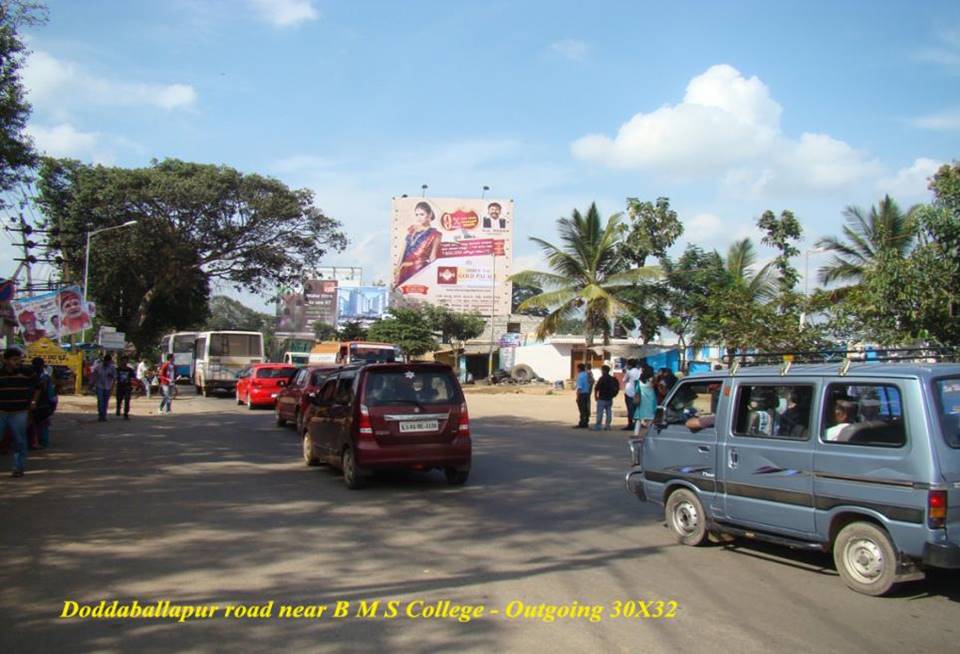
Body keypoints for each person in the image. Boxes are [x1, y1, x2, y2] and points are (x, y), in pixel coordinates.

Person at [0, 347, 40, 477]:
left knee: (19, 441)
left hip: (19, 412)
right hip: (2, 412)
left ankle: (18, 468)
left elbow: (39, 386)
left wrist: (33, 402)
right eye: (14, 360)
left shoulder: (28, 372)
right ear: (5, 360)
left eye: (19, 360)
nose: (17, 362)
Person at [395, 201, 442, 287]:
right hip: (403, 270)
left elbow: (432, 257)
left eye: (422, 214)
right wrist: (397, 269)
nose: (419, 217)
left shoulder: (435, 234)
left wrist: (432, 278)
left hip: (419, 270)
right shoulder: (412, 230)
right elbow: (403, 251)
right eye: (417, 215)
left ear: (430, 214)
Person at [28, 357, 57, 449]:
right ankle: (44, 442)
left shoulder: (30, 376)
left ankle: (34, 442)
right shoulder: (46, 377)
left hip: (32, 403)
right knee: (43, 424)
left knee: (32, 424)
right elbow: (51, 393)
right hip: (44, 403)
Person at [90, 354, 116, 422]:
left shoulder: (112, 368)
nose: (107, 363)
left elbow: (115, 378)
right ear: (104, 361)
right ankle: (100, 415)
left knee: (105, 402)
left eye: (108, 362)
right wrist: (91, 384)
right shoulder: (98, 367)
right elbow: (94, 376)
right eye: (106, 361)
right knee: (100, 401)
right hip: (99, 386)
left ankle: (104, 415)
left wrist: (112, 386)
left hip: (108, 386)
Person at [633, 365, 658, 437]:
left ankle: (636, 433)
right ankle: (649, 434)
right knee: (650, 418)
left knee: (639, 418)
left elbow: (637, 390)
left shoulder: (639, 380)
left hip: (642, 401)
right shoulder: (652, 379)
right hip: (651, 400)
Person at [593, 365, 619, 431]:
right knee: (609, 412)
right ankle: (608, 426)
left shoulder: (602, 378)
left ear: (604, 371)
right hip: (609, 398)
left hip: (602, 398)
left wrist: (595, 396)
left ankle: (598, 426)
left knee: (600, 412)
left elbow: (596, 388)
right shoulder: (612, 378)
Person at [621, 359, 640, 431]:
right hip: (637, 392)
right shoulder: (639, 372)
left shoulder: (629, 372)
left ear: (630, 365)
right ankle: (636, 424)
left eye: (627, 364)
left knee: (630, 409)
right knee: (636, 409)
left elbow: (624, 380)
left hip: (629, 392)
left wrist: (625, 370)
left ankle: (630, 424)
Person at [115, 355, 136, 420]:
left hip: (127, 386)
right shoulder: (117, 369)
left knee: (127, 400)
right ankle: (118, 408)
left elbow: (133, 377)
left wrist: (133, 385)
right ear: (121, 361)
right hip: (119, 386)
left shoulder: (130, 370)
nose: (124, 362)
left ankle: (126, 413)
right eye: (123, 360)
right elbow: (114, 377)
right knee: (119, 399)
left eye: (126, 360)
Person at [574, 363, 593, 428]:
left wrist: (577, 397)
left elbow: (579, 388)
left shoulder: (580, 376)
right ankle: (586, 422)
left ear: (579, 369)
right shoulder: (587, 374)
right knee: (586, 408)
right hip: (587, 393)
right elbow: (591, 382)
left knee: (582, 409)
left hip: (582, 394)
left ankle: (582, 423)